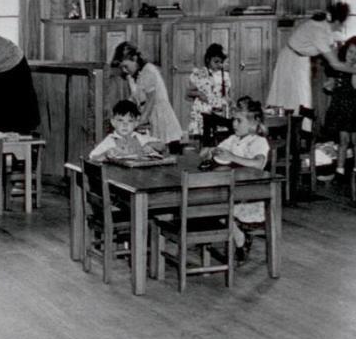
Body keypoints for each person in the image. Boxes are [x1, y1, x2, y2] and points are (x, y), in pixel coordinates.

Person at [266, 3, 356, 122]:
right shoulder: (319, 32)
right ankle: (276, 127)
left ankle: (297, 133)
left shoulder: (327, 26)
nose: (345, 24)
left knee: (302, 102)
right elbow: (336, 65)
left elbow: (340, 42)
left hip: (301, 60)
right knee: (284, 100)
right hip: (290, 60)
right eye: (345, 21)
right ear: (338, 21)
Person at [199, 99, 270, 264]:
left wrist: (232, 157)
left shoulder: (259, 141)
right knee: (208, 204)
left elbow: (259, 163)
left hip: (250, 196)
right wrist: (210, 151)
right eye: (233, 120)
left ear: (254, 122)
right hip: (232, 190)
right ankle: (235, 237)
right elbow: (218, 150)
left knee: (214, 207)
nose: (234, 124)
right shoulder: (233, 139)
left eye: (239, 120)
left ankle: (239, 239)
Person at [111, 41, 183, 152]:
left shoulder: (148, 71)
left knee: (161, 148)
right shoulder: (139, 75)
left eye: (126, 66)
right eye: (122, 68)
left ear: (134, 59)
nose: (125, 71)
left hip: (160, 117)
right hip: (152, 115)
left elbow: (150, 101)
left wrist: (140, 121)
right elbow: (135, 98)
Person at [323, 36, 356, 176]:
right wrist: (330, 85)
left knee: (355, 139)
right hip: (341, 107)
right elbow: (331, 83)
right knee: (343, 139)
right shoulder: (338, 66)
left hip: (355, 108)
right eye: (350, 52)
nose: (353, 56)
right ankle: (340, 169)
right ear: (345, 51)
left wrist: (355, 69)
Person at [89, 100, 166, 162]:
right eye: (120, 120)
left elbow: (162, 146)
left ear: (135, 123)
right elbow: (92, 157)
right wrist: (105, 154)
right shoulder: (110, 140)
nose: (125, 125)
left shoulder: (138, 137)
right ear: (113, 122)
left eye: (130, 121)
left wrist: (150, 145)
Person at [187, 43, 232, 145]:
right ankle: (205, 151)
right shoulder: (200, 74)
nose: (219, 65)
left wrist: (229, 101)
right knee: (205, 135)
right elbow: (189, 92)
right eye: (216, 62)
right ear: (208, 59)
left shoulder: (225, 75)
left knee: (221, 135)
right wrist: (199, 93)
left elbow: (227, 93)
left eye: (221, 62)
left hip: (220, 107)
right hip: (204, 107)